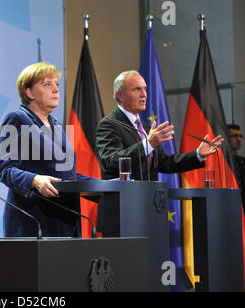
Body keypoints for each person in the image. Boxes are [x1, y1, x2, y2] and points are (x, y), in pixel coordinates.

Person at [95, 70, 223, 235]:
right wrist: (147, 144)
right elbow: (111, 160)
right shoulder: (109, 124)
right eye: (137, 89)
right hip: (121, 211)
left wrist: (197, 154)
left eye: (145, 89)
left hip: (148, 210)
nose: (144, 94)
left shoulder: (146, 128)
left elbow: (165, 163)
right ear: (120, 95)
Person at [0, 62, 97, 238]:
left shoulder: (56, 125)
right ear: (29, 92)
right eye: (47, 84)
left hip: (66, 224)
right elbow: (5, 170)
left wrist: (104, 185)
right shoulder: (17, 119)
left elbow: (66, 174)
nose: (56, 89)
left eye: (56, 84)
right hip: (35, 225)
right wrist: (35, 180)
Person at [227, 124, 245, 208]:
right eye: (234, 136)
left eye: (240, 136)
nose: (239, 139)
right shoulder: (220, 162)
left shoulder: (242, 161)